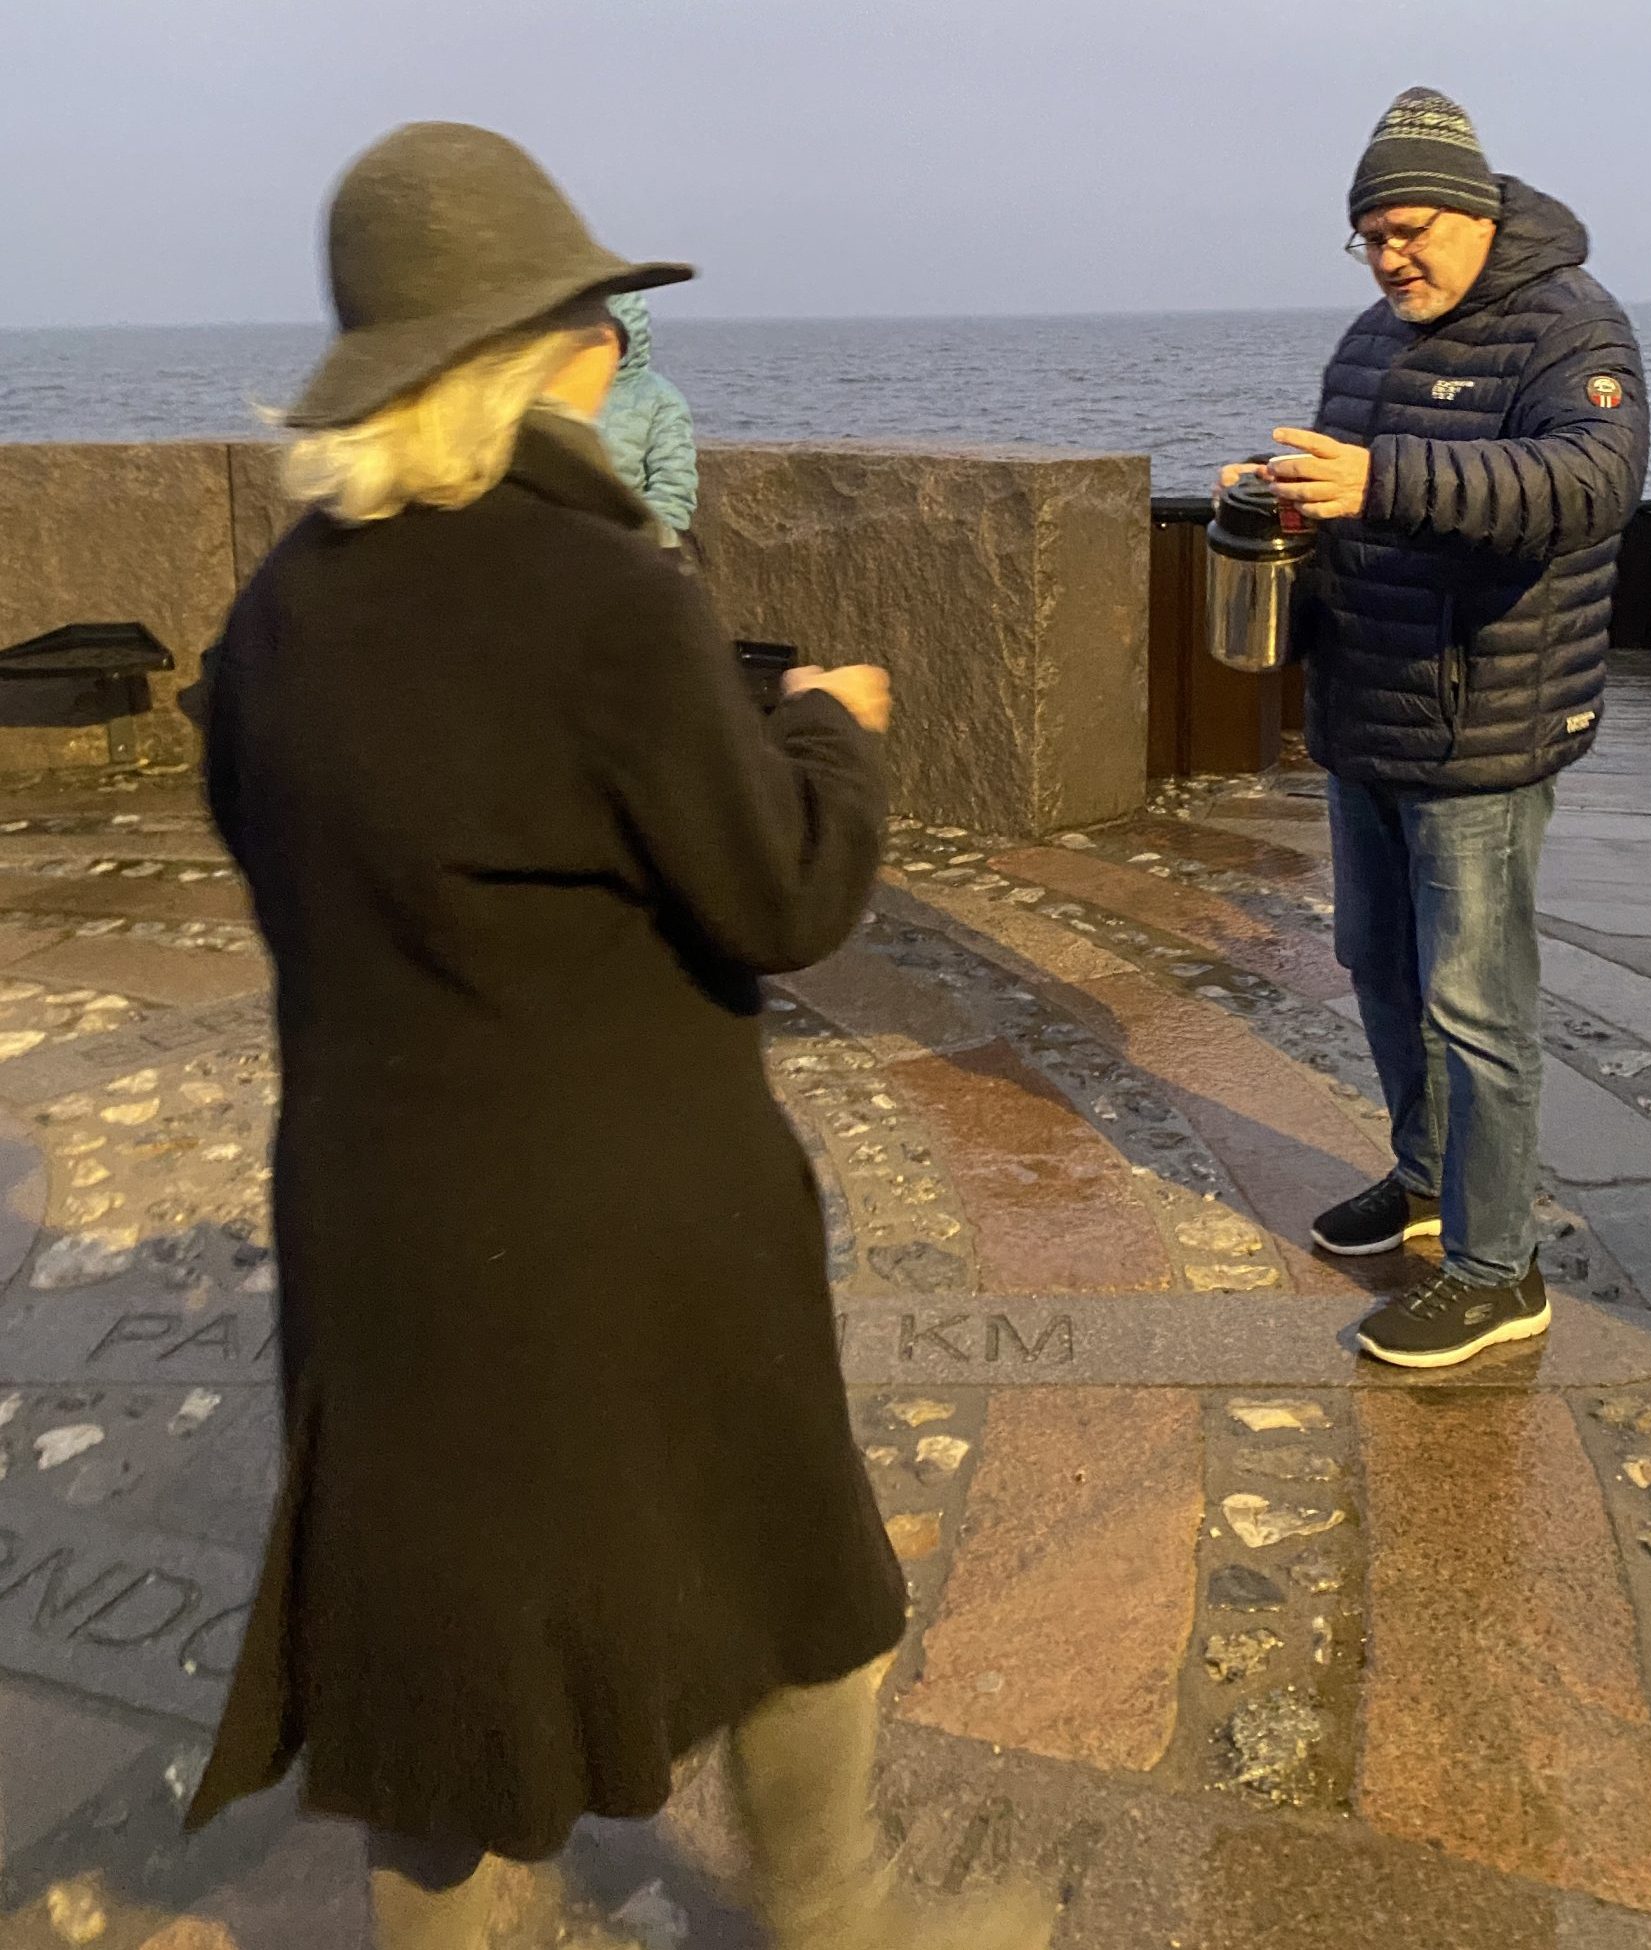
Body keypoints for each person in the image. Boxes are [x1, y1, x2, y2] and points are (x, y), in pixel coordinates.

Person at [182, 120, 1055, 1950]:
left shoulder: (273, 621)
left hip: (383, 1220)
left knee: (435, 1652)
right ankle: (839, 1918)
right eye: (580, 319)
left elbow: (295, 863)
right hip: (640, 1217)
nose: (606, 346)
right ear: (512, 361)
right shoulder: (608, 595)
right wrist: (829, 729)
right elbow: (782, 896)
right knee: (788, 1563)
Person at [1222, 88, 1650, 1369]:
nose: (1390, 258)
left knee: (1476, 1007)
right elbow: (1351, 489)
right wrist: (1281, 499)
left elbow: (1591, 481)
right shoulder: (1370, 338)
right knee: (1379, 965)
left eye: (1409, 230)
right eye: (1370, 237)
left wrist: (1380, 478)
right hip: (1366, 705)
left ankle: (1497, 1268)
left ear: (1475, 215)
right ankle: (1424, 1183)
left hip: (1484, 719)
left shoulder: (1572, 324)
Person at [600, 290, 699, 531]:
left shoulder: (660, 398)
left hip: (624, 540)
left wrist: (642, 538)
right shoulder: (549, 388)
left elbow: (673, 489)